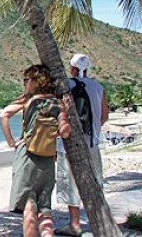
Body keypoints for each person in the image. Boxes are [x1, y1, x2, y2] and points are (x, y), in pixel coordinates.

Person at [0, 64, 71, 237]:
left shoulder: (28, 100)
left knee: (29, 207)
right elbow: (66, 132)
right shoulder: (58, 102)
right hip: (47, 158)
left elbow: (3, 115)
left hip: (27, 157)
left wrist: (11, 142)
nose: (24, 83)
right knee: (45, 208)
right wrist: (65, 112)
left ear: (34, 81)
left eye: (26, 80)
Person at [55, 53, 110, 236]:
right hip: (93, 142)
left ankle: (75, 224)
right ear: (89, 69)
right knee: (94, 181)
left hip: (68, 145)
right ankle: (100, 220)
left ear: (71, 68)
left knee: (71, 184)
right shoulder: (98, 87)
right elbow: (104, 116)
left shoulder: (67, 86)